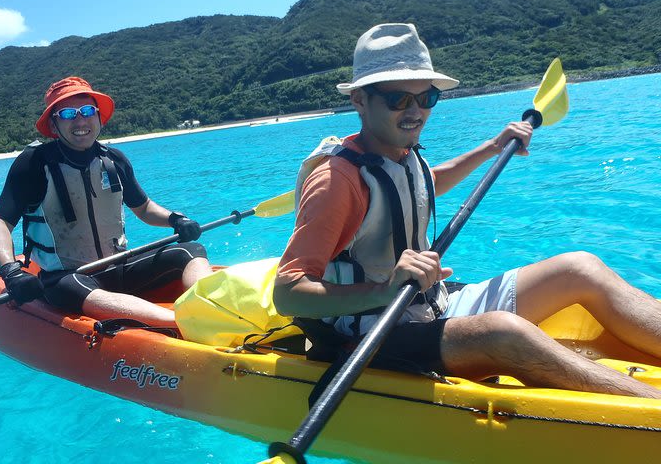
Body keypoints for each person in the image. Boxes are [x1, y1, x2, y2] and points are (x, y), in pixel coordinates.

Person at [273, 23, 661, 399]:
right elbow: (288, 294)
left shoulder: (398, 152)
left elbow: (422, 187)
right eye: (398, 99)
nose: (416, 111)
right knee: (504, 332)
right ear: (360, 100)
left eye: (426, 98)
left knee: (580, 267)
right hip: (368, 334)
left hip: (428, 304)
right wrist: (384, 290)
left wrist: (492, 146)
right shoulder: (335, 181)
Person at [0, 76, 213, 327]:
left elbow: (144, 208)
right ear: (54, 123)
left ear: (98, 116)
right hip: (68, 278)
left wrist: (176, 219)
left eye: (86, 111)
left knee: (191, 251)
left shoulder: (114, 160)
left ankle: (211, 309)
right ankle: (184, 323)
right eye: (68, 113)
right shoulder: (34, 164)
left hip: (119, 266)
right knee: (66, 287)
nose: (80, 120)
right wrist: (10, 271)